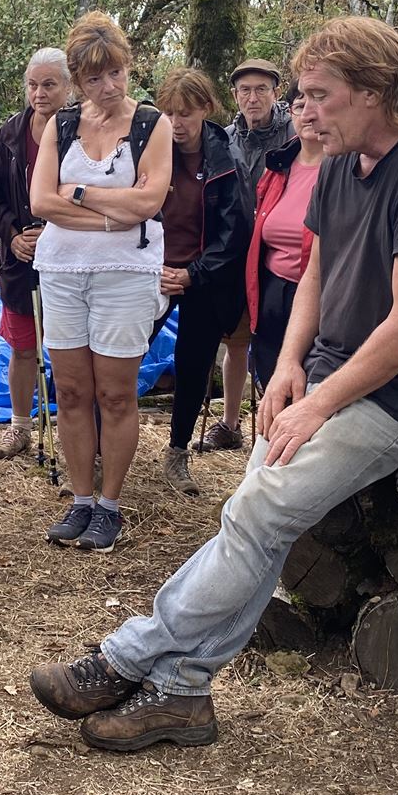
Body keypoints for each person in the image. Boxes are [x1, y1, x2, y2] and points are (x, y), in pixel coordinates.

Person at [29, 15, 398, 752]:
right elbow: (316, 266)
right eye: (300, 96)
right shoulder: (342, 160)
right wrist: (286, 368)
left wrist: (316, 400)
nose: (300, 111)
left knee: (256, 513)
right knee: (256, 519)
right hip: (327, 378)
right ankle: (182, 693)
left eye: (317, 96)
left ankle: (125, 658)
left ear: (373, 92)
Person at [32, 12, 173, 554]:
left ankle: (110, 506)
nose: (107, 86)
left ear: (127, 66)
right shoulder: (61, 125)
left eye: (115, 73)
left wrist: (80, 194)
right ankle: (81, 499)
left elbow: (150, 202)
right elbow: (40, 201)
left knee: (115, 394)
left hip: (126, 275)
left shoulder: (151, 124)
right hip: (63, 272)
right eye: (94, 78)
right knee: (70, 391)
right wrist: (115, 214)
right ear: (77, 80)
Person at [153, 68, 246, 497]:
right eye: (169, 112)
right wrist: (155, 267)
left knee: (192, 366)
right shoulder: (151, 148)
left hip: (203, 278)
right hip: (151, 271)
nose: (176, 123)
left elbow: (234, 232)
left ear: (206, 110)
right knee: (119, 356)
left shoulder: (226, 158)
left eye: (186, 113)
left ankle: (177, 453)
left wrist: (192, 274)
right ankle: (101, 449)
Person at [0, 48, 72, 458]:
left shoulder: (82, 132)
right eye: (33, 85)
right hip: (20, 261)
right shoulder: (10, 134)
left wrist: (55, 230)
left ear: (68, 87)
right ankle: (19, 427)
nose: (39, 93)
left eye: (49, 84)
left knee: (71, 350)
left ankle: (74, 431)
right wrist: (13, 235)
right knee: (21, 346)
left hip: (70, 260)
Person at [208, 57, 294, 450]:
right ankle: (230, 424)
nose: (253, 97)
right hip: (238, 250)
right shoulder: (225, 138)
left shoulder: (295, 133)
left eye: (262, 89)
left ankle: (280, 422)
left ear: (276, 93)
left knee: (281, 339)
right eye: (245, 90)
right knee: (237, 339)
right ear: (235, 95)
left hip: (281, 250)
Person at [245, 90, 324, 389]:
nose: (307, 113)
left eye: (315, 104)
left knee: (306, 378)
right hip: (270, 287)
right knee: (269, 374)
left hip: (318, 290)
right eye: (299, 106)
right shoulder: (279, 164)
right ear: (289, 113)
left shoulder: (344, 167)